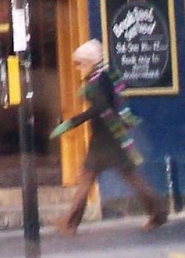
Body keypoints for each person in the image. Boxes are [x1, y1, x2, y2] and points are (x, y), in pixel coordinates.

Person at [50, 39, 169, 234]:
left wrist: (70, 123)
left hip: (107, 139)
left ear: (90, 62)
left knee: (108, 177)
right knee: (101, 177)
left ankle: (158, 213)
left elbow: (99, 108)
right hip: (108, 136)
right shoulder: (104, 76)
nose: (78, 68)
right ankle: (70, 222)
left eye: (80, 63)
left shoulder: (97, 82)